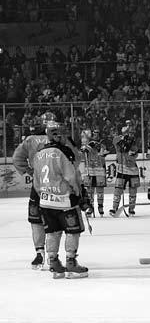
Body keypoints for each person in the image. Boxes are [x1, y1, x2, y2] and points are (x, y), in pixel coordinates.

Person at [13, 112, 78, 270]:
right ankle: (67, 258)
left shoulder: (30, 140)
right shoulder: (63, 138)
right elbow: (75, 158)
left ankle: (41, 253)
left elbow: (16, 158)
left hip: (39, 187)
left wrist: (30, 171)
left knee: (37, 221)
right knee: (67, 224)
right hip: (60, 189)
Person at [32, 122, 89, 279]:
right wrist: (79, 194)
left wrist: (44, 194)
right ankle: (71, 262)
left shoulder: (38, 154)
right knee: (73, 231)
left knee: (52, 232)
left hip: (45, 202)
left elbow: (36, 182)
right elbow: (71, 176)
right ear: (54, 134)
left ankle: (54, 264)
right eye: (59, 134)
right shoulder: (62, 152)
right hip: (64, 202)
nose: (62, 136)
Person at [110, 121, 140, 216]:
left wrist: (128, 146)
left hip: (132, 170)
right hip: (121, 169)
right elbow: (115, 141)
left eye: (132, 133)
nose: (131, 135)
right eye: (129, 133)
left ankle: (131, 209)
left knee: (133, 190)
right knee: (118, 189)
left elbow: (133, 155)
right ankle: (114, 208)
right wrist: (123, 140)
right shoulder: (119, 139)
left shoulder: (134, 144)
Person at [80, 129, 108, 217]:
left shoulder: (102, 145)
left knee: (100, 190)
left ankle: (100, 207)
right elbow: (82, 151)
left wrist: (100, 150)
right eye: (94, 134)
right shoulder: (87, 145)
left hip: (99, 170)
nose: (96, 135)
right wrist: (86, 147)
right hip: (90, 170)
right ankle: (90, 208)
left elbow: (103, 154)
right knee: (90, 191)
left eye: (98, 134)